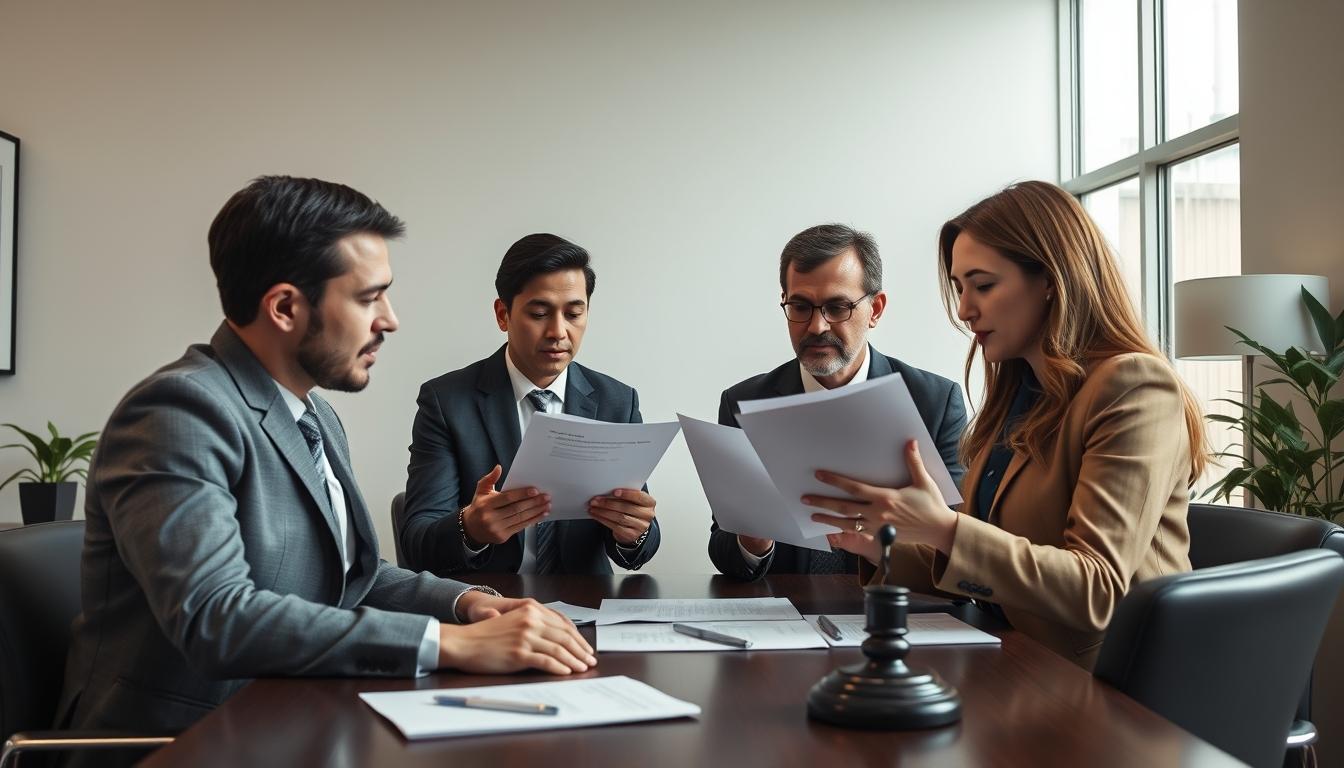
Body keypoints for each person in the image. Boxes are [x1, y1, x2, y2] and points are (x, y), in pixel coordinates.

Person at [56, 177, 595, 746]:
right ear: (286, 307)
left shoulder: (314, 416)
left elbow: (353, 579)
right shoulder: (178, 412)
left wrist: (468, 604)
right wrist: (447, 644)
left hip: (294, 717)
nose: (389, 320)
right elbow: (216, 618)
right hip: (180, 743)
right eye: (369, 297)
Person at [808, 181, 1207, 670]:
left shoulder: (1134, 385)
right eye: (959, 288)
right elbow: (988, 564)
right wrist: (879, 546)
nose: (964, 309)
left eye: (984, 285)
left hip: (1115, 687)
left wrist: (944, 527)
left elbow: (1096, 589)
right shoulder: (1019, 394)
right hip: (1021, 661)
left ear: (1050, 279)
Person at [708, 223, 968, 580]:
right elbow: (723, 548)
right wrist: (753, 541)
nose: (816, 326)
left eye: (837, 307)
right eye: (800, 306)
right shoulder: (743, 401)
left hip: (896, 612)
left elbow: (959, 547)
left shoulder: (936, 402)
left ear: (875, 309)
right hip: (784, 621)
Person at [401, 233, 660, 575]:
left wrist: (634, 532)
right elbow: (417, 541)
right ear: (503, 314)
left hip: (585, 607)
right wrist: (471, 529)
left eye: (573, 314)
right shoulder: (447, 401)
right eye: (539, 313)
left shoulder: (618, 402)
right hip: (492, 607)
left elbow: (640, 548)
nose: (558, 331)